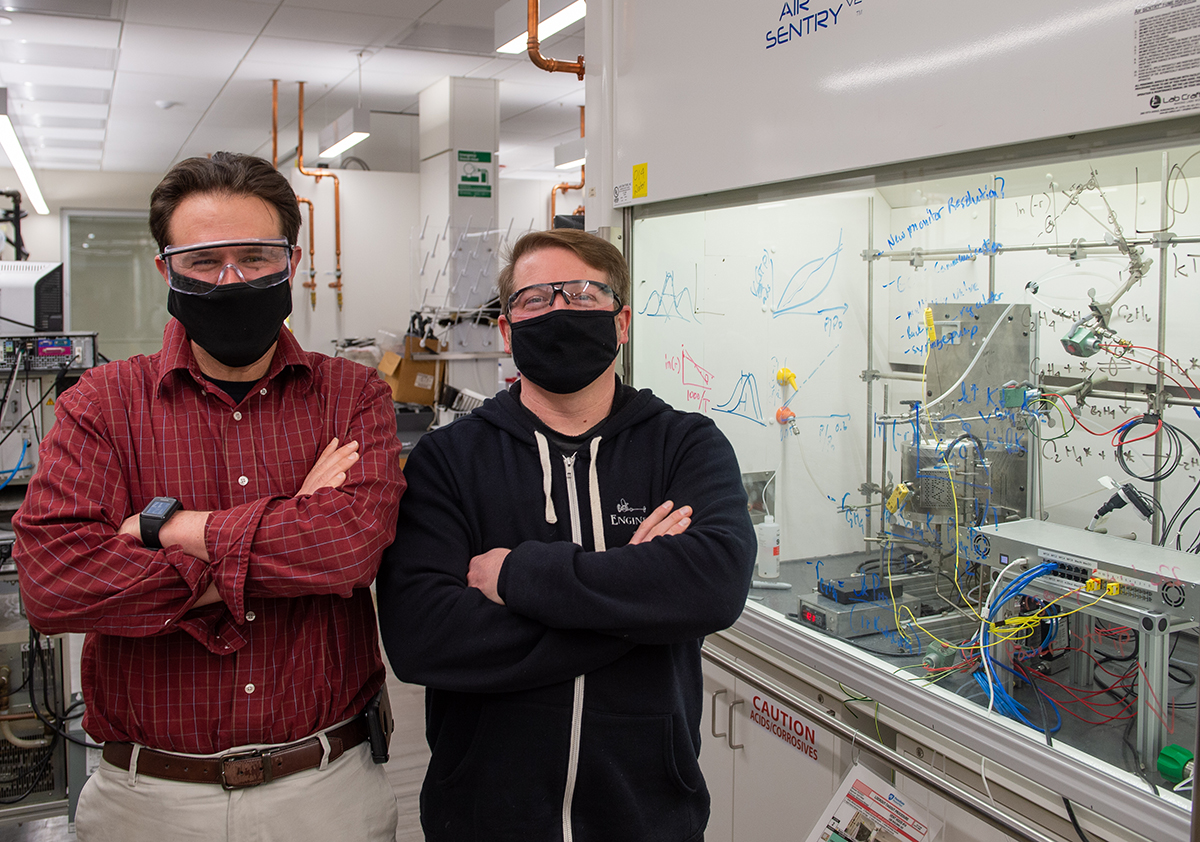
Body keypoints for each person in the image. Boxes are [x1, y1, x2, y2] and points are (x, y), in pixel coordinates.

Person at [12, 152, 404, 842]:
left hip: (328, 791)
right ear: (165, 270)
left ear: (293, 260)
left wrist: (169, 530)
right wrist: (285, 529)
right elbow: (56, 588)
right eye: (204, 260)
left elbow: (347, 550)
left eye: (256, 257)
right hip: (148, 799)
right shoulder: (101, 405)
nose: (232, 280)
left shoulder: (353, 394)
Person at [376, 228, 756, 842]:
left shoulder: (685, 444)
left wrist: (519, 577)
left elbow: (713, 586)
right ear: (507, 329)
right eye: (535, 299)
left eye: (582, 294)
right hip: (481, 817)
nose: (559, 310)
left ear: (621, 321)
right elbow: (422, 638)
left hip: (649, 816)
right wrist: (642, 604)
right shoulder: (448, 461)